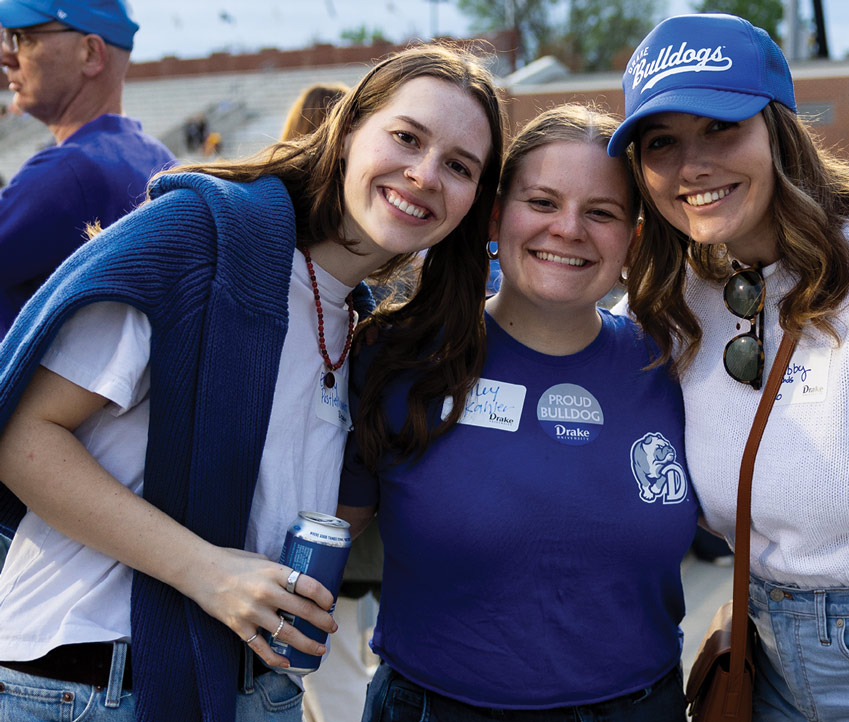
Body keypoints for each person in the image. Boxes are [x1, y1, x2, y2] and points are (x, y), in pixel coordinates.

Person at [0, 42, 503, 722]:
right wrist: (207, 570)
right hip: (86, 687)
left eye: (459, 166)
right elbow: (25, 439)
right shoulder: (200, 240)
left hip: (250, 693)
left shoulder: (359, 328)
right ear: (349, 129)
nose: (423, 174)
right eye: (407, 137)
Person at [608, 13, 849, 722]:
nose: (692, 164)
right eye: (661, 142)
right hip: (763, 667)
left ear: (779, 131)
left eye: (721, 127)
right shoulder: (680, 296)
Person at [338, 103, 697, 721]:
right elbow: (320, 530)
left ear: (633, 239)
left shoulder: (678, 371)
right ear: (496, 216)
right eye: (543, 202)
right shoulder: (394, 359)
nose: (568, 229)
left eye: (602, 213)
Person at [277, 77, 382, 722]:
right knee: (335, 667)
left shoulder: (363, 304)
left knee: (334, 674)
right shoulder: (251, 263)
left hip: (337, 530)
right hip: (333, 535)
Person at [0, 0, 176, 337]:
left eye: (24, 38)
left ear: (91, 54)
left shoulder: (68, 172)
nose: (7, 56)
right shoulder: (157, 156)